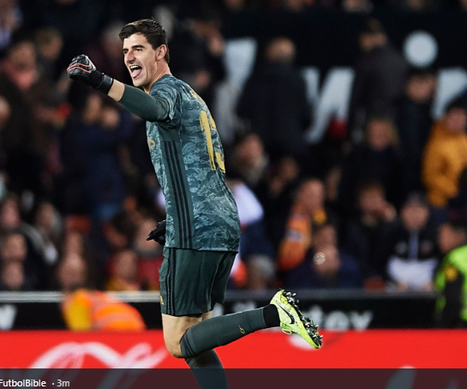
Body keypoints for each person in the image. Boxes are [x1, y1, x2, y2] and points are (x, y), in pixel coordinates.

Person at [67, 19, 321, 388]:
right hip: (214, 222)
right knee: (197, 339)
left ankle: (274, 314)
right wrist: (173, 218)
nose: (129, 58)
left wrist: (99, 81)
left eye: (138, 49)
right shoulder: (191, 96)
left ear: (161, 52)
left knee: (178, 342)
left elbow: (152, 109)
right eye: (125, 52)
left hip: (196, 229)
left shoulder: (167, 91)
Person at [435, 219, 467, 327]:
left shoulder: (455, 259)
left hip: (460, 321)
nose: (439, 239)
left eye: (443, 235)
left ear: (459, 236)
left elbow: (452, 295)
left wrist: (445, 323)